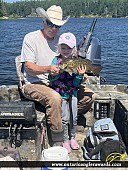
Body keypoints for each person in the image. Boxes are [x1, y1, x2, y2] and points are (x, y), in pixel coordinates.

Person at [20, 5, 95, 146]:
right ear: (44, 21)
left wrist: (80, 73)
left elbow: (72, 60)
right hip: (34, 83)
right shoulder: (31, 38)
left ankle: (64, 120)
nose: (53, 28)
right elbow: (29, 67)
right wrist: (48, 69)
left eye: (57, 25)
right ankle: (58, 139)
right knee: (55, 98)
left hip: (58, 83)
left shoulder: (60, 41)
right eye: (50, 23)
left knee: (89, 96)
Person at [49, 32, 87, 153]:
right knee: (64, 118)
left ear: (73, 49)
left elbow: (76, 84)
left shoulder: (76, 62)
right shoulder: (56, 61)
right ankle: (65, 140)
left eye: (69, 48)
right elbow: (51, 79)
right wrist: (57, 73)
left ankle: (73, 138)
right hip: (61, 94)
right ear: (59, 47)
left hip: (73, 93)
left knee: (74, 117)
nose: (66, 51)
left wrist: (79, 76)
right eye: (63, 48)